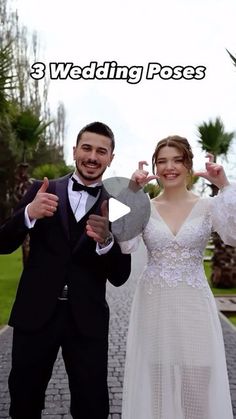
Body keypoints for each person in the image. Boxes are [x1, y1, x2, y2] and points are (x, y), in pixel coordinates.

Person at [0, 121, 131, 419]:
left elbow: (121, 275)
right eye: (87, 148)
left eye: (101, 151)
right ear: (74, 151)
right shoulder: (41, 189)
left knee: (92, 405)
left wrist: (107, 241)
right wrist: (29, 214)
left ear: (111, 157)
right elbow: (4, 243)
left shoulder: (118, 206)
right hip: (35, 315)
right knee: (24, 400)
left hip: (87, 319)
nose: (93, 157)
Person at [120, 135, 235, 419]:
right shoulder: (144, 207)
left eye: (177, 160)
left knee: (196, 391)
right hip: (154, 307)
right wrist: (131, 192)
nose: (169, 167)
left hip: (194, 308)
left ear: (189, 165)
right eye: (162, 161)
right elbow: (124, 243)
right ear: (154, 168)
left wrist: (224, 186)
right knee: (156, 394)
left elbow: (233, 234)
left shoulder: (209, 207)